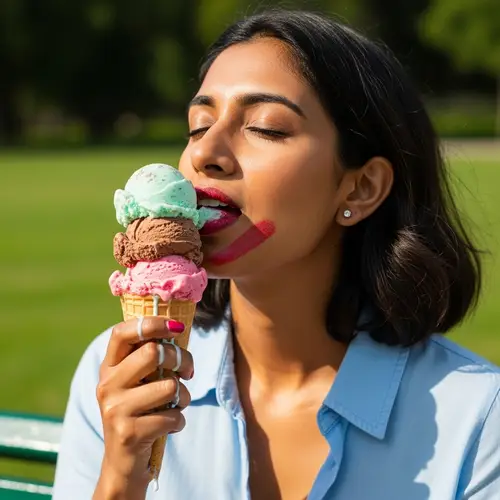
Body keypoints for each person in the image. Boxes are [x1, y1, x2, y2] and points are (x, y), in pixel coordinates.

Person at [52, 8, 500, 500]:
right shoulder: (120, 372)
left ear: (361, 187)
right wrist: (120, 478)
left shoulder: (479, 420)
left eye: (266, 127)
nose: (206, 153)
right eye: (198, 125)